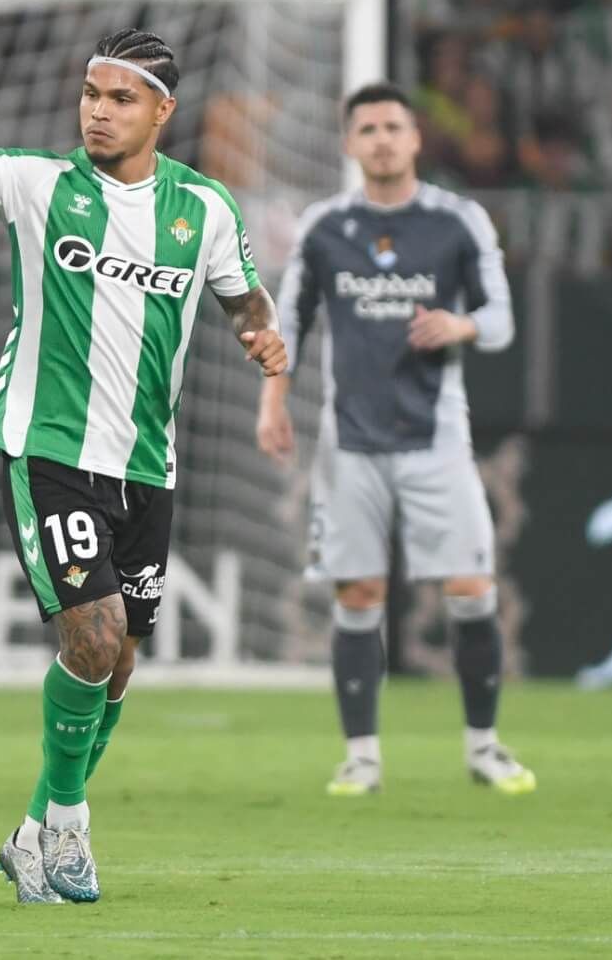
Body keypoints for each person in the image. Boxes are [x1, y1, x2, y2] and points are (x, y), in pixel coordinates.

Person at [0, 24, 286, 904]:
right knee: (92, 637)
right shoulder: (40, 184)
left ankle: (31, 835)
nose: (98, 111)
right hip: (50, 446)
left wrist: (263, 333)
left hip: (148, 463)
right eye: (91, 94)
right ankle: (69, 822)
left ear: (162, 111)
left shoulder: (205, 208)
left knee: (120, 662)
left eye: (120, 98)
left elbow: (242, 296)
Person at [257, 82, 533, 797]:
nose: (381, 139)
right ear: (349, 144)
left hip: (437, 438)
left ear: (415, 139)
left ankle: (484, 747)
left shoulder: (457, 221)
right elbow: (290, 322)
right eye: (369, 129)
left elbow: (501, 321)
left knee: (471, 587)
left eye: (393, 127)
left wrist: (460, 324)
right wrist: (272, 402)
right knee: (358, 594)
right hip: (349, 443)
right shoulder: (325, 227)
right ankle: (362, 758)